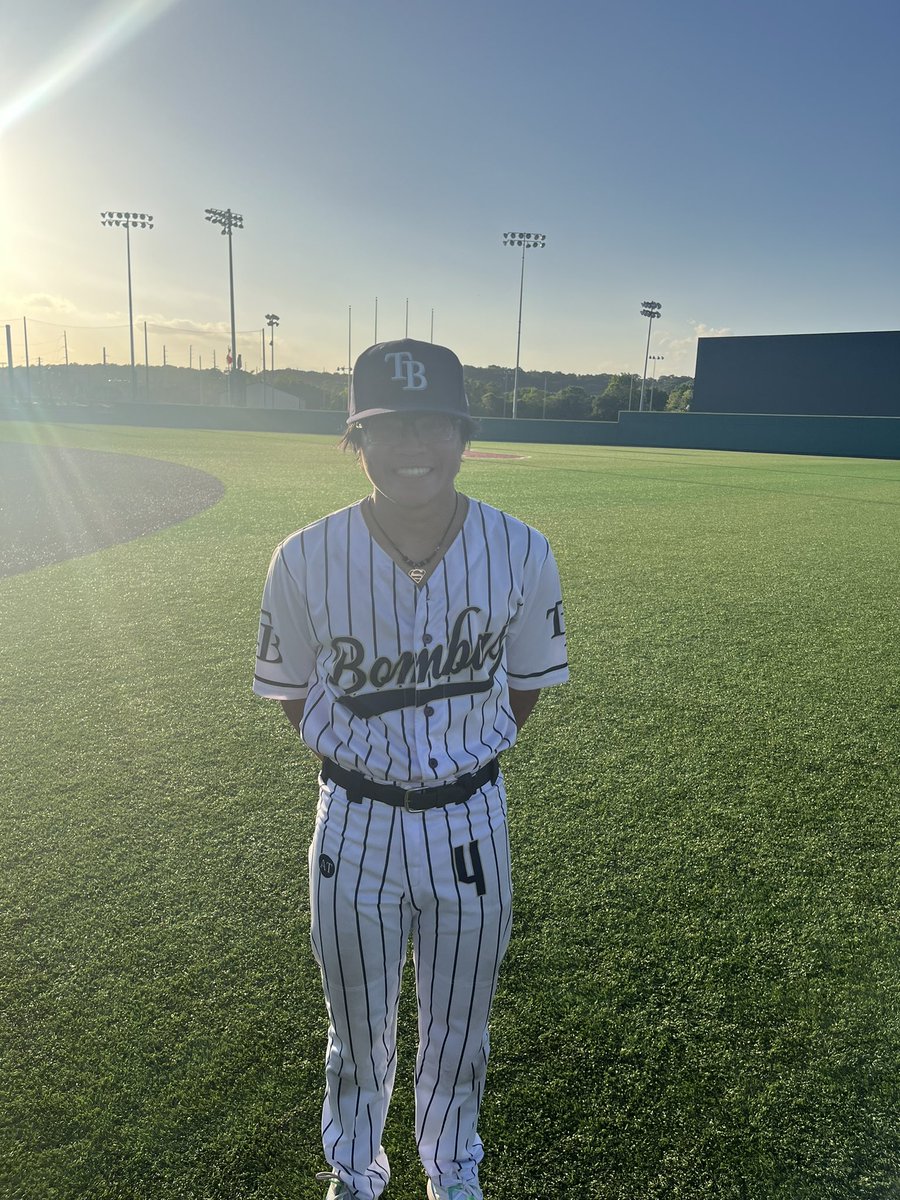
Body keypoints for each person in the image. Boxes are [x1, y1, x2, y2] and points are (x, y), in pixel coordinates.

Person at [253, 339, 569, 1200]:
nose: (412, 444)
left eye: (431, 422)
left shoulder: (521, 549)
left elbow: (528, 686)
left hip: (472, 820)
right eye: (388, 426)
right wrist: (360, 761)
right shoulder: (304, 557)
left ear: (463, 434)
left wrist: (468, 754)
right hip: (353, 821)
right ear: (357, 440)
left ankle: (450, 1172)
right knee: (357, 1030)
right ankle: (356, 1174)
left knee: (459, 1028)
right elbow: (291, 694)